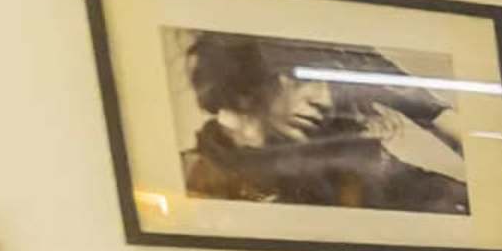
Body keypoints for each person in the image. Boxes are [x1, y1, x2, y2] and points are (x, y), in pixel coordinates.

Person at [177, 32, 470, 216]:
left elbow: (468, 201)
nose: (325, 99)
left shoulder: (348, 163)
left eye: (330, 82)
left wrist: (427, 110)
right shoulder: (192, 178)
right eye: (302, 78)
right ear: (247, 84)